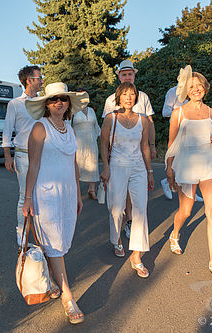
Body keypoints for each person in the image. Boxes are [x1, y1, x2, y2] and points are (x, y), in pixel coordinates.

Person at [22, 82, 89, 324]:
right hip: (46, 194)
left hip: (68, 193)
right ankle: (68, 297)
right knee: (55, 243)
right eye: (53, 100)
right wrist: (28, 198)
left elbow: (73, 163)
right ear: (46, 105)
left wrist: (79, 194)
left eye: (62, 99)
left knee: (59, 242)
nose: (58, 103)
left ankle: (52, 282)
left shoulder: (69, 129)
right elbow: (34, 166)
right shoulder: (40, 128)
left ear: (68, 103)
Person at [165, 66, 212, 287]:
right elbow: (172, 144)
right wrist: (169, 169)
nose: (196, 89)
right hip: (186, 164)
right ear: (185, 89)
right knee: (186, 210)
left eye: (199, 86)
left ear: (205, 89)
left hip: (209, 164)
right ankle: (174, 234)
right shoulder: (179, 113)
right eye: (191, 86)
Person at [100, 82, 154, 278]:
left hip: (138, 167)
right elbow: (104, 144)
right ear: (118, 97)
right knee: (116, 208)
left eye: (132, 94)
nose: (129, 97)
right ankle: (117, 240)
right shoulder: (111, 118)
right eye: (125, 94)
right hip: (117, 166)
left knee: (140, 209)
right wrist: (105, 167)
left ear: (136, 97)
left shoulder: (143, 120)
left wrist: (149, 171)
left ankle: (137, 255)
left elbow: (145, 147)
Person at [102, 60, 156, 238]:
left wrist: (152, 145)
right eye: (124, 74)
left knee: (136, 196)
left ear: (134, 75)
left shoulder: (144, 97)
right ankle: (122, 225)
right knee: (120, 197)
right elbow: (106, 134)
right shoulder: (111, 100)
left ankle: (131, 222)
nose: (127, 77)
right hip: (118, 158)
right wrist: (107, 164)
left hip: (138, 155)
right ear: (119, 76)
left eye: (130, 74)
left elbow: (149, 122)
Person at [2, 65, 43, 246]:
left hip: (44, 155)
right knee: (24, 195)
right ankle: (22, 233)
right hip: (23, 155)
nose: (42, 80)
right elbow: (7, 130)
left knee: (41, 195)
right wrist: (7, 156)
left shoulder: (43, 102)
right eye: (39, 77)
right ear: (29, 80)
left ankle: (41, 233)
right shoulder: (15, 104)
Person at [161, 83, 204, 203]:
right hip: (178, 130)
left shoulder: (194, 91)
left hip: (193, 130)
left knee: (193, 162)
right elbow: (165, 112)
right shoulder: (172, 92)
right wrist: (182, 112)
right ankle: (166, 182)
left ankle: (192, 192)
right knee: (179, 162)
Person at [71, 88, 101, 200]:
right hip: (78, 143)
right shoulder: (72, 110)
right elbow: (68, 127)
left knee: (92, 165)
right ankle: (76, 192)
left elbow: (96, 126)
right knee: (78, 166)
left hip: (91, 142)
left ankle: (92, 190)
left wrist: (99, 137)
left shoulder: (91, 111)